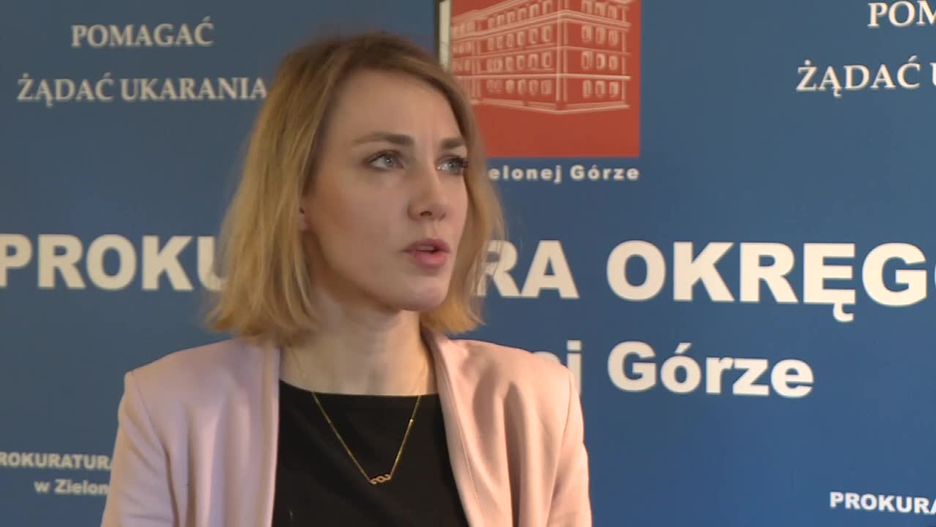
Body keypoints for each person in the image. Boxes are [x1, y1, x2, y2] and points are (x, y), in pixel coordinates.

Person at [100, 32, 591, 527]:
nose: (436, 200)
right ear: (297, 194)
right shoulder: (171, 409)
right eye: (386, 160)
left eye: (451, 164)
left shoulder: (532, 404)